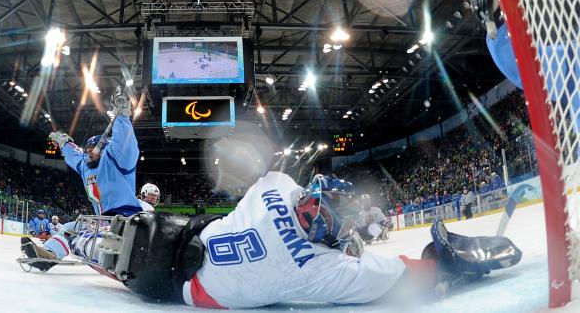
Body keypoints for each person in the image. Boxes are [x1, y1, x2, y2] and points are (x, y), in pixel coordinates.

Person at [25, 171, 521, 308]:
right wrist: (442, 266)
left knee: (113, 238)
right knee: (120, 257)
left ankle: (74, 241)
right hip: (178, 288)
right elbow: (391, 276)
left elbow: (274, 191)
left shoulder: (275, 186)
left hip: (178, 234)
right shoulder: (318, 268)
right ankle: (85, 247)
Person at [47, 89, 140, 216]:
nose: (90, 153)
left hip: (125, 216)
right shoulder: (85, 165)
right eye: (88, 150)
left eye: (94, 149)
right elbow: (74, 155)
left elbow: (123, 141)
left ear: (105, 149)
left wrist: (122, 117)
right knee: (67, 230)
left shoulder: (116, 159)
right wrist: (64, 143)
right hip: (102, 219)